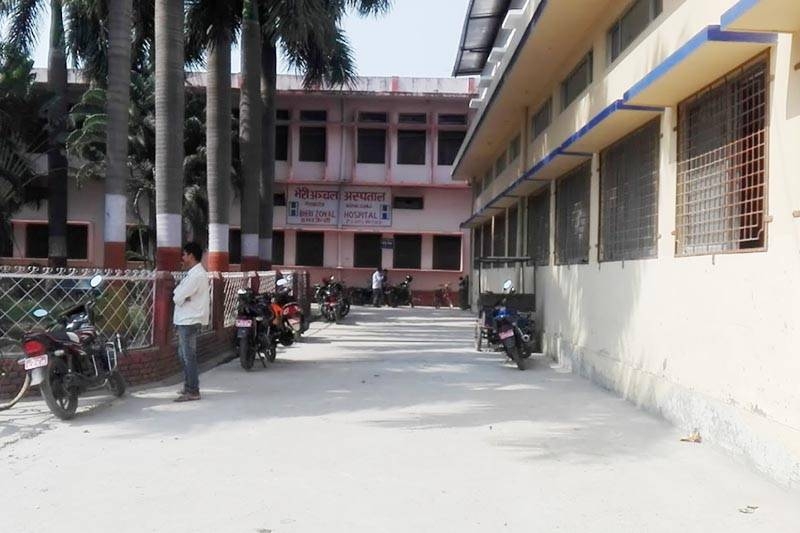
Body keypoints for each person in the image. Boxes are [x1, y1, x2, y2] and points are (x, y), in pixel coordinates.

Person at [173, 242, 209, 402]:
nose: (182, 257)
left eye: (184, 254)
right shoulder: (193, 274)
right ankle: (189, 386)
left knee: (188, 356)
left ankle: (193, 390)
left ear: (191, 256)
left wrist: (181, 296)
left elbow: (177, 297)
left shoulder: (196, 275)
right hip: (185, 319)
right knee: (184, 355)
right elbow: (179, 294)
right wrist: (181, 296)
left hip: (189, 320)